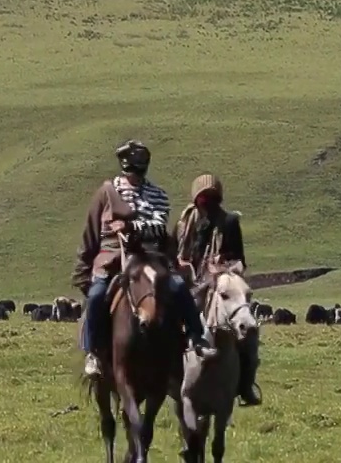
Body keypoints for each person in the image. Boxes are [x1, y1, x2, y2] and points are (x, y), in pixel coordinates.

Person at [72, 140, 217, 379]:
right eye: (131, 170)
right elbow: (91, 232)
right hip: (114, 258)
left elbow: (159, 227)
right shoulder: (107, 193)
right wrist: (83, 269)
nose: (135, 176)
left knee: (179, 287)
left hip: (151, 257)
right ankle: (93, 352)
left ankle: (195, 336)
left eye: (139, 170)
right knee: (97, 295)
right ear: (124, 167)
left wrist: (131, 226)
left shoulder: (158, 195)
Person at [175, 173, 262, 407]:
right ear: (196, 199)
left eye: (212, 198)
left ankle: (246, 384)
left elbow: (239, 260)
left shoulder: (230, 222)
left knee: (249, 332)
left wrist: (222, 265)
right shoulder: (184, 225)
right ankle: (166, 376)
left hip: (221, 284)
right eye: (203, 198)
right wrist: (180, 265)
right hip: (191, 287)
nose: (208, 203)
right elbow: (176, 256)